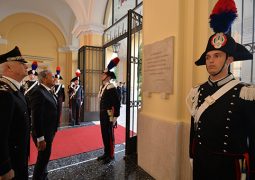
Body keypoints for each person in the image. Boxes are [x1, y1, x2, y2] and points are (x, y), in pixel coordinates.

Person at [186, 0, 255, 179]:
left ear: (230, 60)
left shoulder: (246, 93)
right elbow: (194, 129)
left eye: (217, 56)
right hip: (201, 162)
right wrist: (192, 155)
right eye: (208, 56)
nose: (210, 60)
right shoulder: (197, 91)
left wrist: (247, 173)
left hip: (229, 169)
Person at [0, 46, 30, 179]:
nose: (26, 65)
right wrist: (4, 167)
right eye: (21, 63)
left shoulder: (15, 90)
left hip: (19, 157)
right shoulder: (4, 93)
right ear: (9, 68)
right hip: (11, 162)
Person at [30, 70, 59, 180]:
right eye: (52, 77)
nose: (54, 78)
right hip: (43, 133)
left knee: (45, 158)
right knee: (42, 159)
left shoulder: (47, 91)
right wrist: (40, 138)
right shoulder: (38, 92)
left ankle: (43, 176)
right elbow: (36, 117)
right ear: (44, 79)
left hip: (49, 131)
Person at [97, 57, 121, 164]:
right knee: (104, 134)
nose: (101, 76)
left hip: (109, 114)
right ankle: (106, 153)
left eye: (103, 74)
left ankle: (110, 155)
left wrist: (115, 116)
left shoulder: (111, 87)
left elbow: (117, 103)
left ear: (108, 76)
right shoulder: (103, 87)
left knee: (109, 134)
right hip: (102, 114)